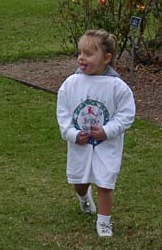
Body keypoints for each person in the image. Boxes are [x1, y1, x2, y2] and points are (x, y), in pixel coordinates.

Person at [56, 29, 135, 237]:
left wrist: (108, 131)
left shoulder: (117, 87)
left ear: (106, 58)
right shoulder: (71, 84)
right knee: (79, 182)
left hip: (107, 145)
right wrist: (72, 134)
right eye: (80, 53)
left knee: (105, 181)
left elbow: (126, 114)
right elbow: (63, 113)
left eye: (89, 54)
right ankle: (83, 198)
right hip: (79, 145)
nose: (81, 58)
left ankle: (104, 221)